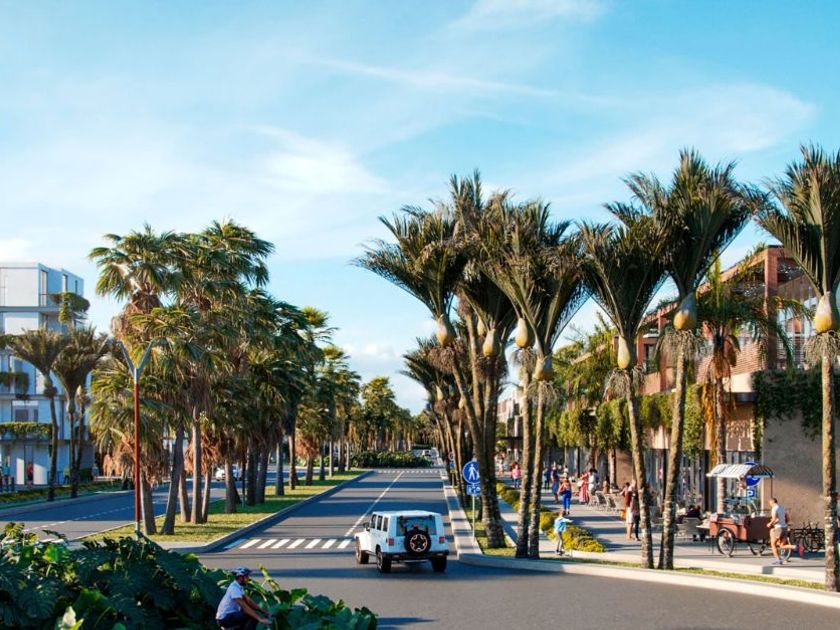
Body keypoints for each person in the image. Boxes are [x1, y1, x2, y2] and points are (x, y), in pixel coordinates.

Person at [767, 498, 802, 564]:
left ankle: (778, 560)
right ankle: (796, 547)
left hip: (778, 528)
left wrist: (769, 523)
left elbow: (774, 518)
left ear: (772, 502)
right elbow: (788, 518)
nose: (770, 505)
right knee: (782, 545)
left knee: (773, 544)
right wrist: (784, 523)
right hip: (785, 528)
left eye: (770, 504)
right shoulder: (782, 508)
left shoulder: (774, 509)